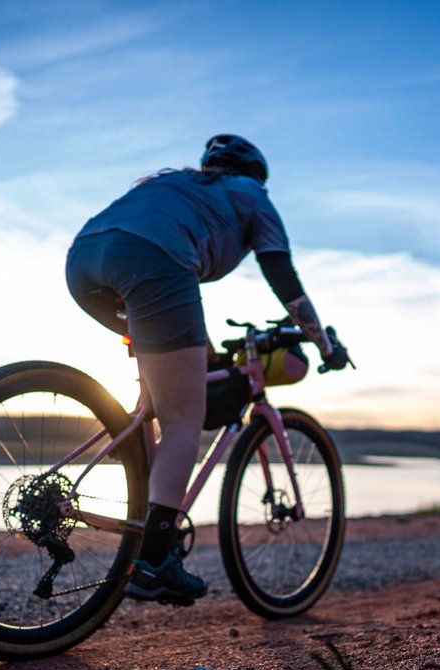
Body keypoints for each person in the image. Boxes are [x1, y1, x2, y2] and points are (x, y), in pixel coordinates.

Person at [65, 134, 348, 606]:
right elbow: (285, 281)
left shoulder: (179, 182)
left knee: (159, 403)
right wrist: (323, 341)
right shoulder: (253, 196)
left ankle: (140, 500)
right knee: (184, 419)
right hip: (153, 261)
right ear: (257, 175)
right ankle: (154, 560)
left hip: (85, 260)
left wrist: (210, 352)